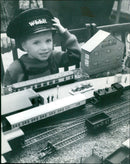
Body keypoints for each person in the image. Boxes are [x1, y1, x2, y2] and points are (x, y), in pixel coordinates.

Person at [3, 8, 81, 85]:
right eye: (36, 42)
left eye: (48, 40)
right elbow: (7, 93)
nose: (45, 47)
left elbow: (76, 56)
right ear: (24, 46)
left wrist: (64, 33)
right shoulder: (15, 69)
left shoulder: (54, 57)